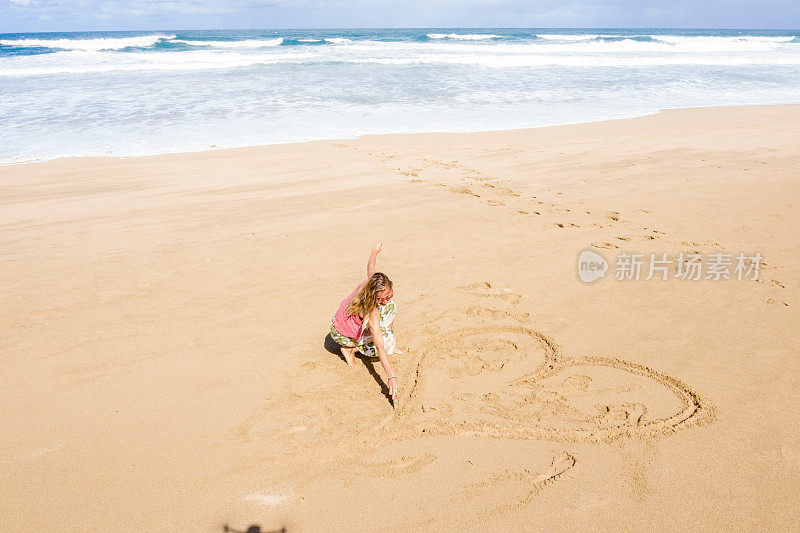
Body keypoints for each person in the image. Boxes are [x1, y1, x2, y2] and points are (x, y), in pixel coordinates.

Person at [330, 242, 401, 400]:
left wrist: (374, 252)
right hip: (342, 335)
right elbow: (380, 347)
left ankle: (364, 342)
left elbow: (371, 266)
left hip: (338, 322)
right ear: (372, 296)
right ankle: (350, 349)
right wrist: (391, 376)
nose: (386, 300)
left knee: (390, 307)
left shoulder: (372, 281)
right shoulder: (371, 312)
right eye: (381, 299)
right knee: (385, 341)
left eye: (389, 295)